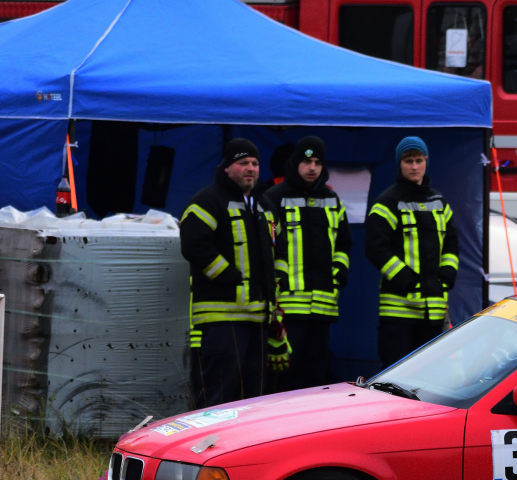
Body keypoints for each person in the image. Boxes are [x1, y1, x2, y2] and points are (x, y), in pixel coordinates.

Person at [180, 138, 290, 408]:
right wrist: (228, 277)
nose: (251, 168)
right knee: (217, 395)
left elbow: (281, 247)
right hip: (221, 317)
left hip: (259, 318)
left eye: (255, 163)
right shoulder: (207, 201)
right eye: (243, 163)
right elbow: (194, 245)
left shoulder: (265, 205)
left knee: (254, 398)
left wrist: (277, 282)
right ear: (227, 167)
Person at [366, 136, 459, 369]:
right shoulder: (387, 202)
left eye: (419, 160)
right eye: (408, 161)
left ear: (426, 161)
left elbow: (451, 243)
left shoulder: (439, 202)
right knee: (395, 375)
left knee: (429, 374)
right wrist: (407, 280)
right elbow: (375, 248)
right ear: (400, 164)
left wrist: (446, 277)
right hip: (398, 310)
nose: (414, 167)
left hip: (433, 310)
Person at [268, 136, 352, 391]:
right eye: (306, 162)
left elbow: (343, 244)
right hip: (288, 307)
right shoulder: (274, 197)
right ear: (296, 163)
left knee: (315, 379)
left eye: (317, 162)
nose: (312, 167)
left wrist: (337, 275)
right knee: (283, 377)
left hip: (323, 307)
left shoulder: (333, 199)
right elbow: (266, 246)